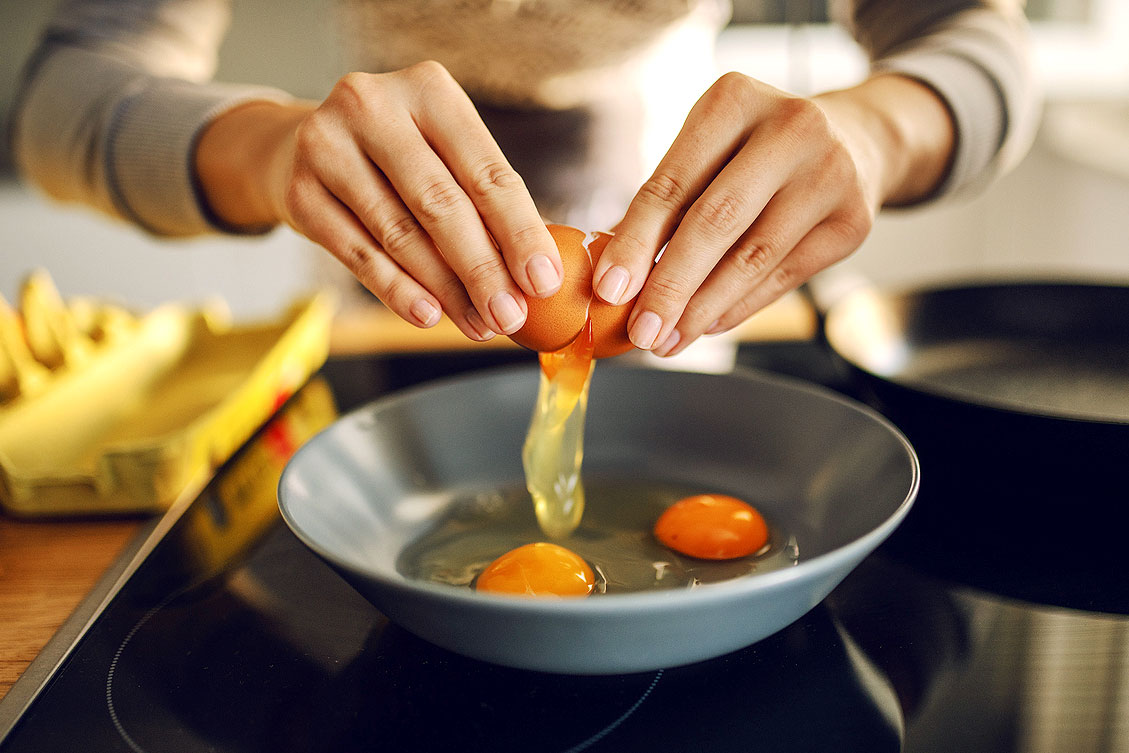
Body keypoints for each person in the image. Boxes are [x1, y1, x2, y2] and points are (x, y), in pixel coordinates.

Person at [10, 0, 1038, 358]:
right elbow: (60, 98)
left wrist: (872, 136)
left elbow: (980, 47)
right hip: (387, 290)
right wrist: (271, 152)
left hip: (687, 289)